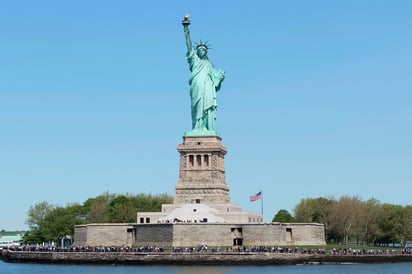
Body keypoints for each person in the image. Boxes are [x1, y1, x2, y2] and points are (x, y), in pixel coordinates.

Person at [182, 16, 225, 134]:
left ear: (206, 53)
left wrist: (220, 77)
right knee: (196, 106)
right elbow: (189, 46)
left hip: (207, 88)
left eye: (203, 50)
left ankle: (207, 128)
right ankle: (197, 127)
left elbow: (216, 78)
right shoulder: (194, 60)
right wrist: (186, 30)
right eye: (199, 50)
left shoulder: (209, 64)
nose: (201, 51)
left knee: (208, 107)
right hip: (197, 85)